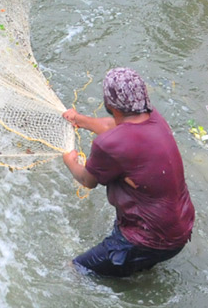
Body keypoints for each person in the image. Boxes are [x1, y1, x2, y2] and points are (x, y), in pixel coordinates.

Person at [60, 68, 194, 277]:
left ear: (110, 105)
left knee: (76, 269)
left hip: (148, 241)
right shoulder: (154, 118)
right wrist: (79, 119)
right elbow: (115, 126)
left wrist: (69, 161)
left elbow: (88, 180)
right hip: (180, 228)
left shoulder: (107, 145)